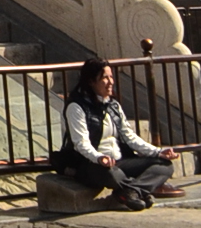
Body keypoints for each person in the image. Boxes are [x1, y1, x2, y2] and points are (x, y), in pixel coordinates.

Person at [56, 56, 184, 208]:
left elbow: (130, 137)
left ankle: (131, 192)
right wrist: (99, 158)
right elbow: (80, 143)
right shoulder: (76, 107)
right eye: (105, 78)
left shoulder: (113, 106)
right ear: (91, 81)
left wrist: (158, 152)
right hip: (90, 164)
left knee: (164, 165)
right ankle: (138, 191)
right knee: (111, 174)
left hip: (118, 161)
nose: (110, 82)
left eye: (111, 77)